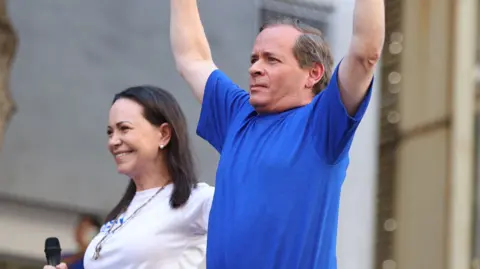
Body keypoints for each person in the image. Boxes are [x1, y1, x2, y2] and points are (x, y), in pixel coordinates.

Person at [170, 0, 385, 268]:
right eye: (254, 59)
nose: (255, 68)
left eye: (271, 59)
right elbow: (192, 58)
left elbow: (366, 52)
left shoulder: (323, 124)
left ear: (313, 73)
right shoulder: (238, 115)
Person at [44, 86, 214, 269]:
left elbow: (246, 241)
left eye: (124, 129)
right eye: (110, 132)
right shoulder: (124, 211)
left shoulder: (198, 199)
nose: (113, 141)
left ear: (163, 134)